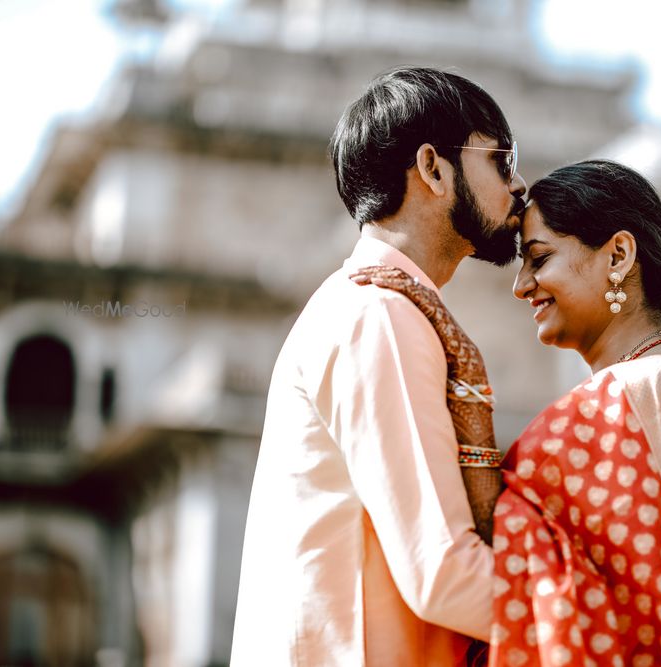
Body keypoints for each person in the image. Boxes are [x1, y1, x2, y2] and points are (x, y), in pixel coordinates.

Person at [230, 67, 526, 666]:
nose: (520, 184)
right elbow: (442, 571)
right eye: (502, 158)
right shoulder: (382, 316)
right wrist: (611, 618)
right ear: (434, 169)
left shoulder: (368, 305)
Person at [488, 160, 661, 667]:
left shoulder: (630, 393)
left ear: (618, 255)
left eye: (538, 258)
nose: (522, 286)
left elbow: (512, 555)